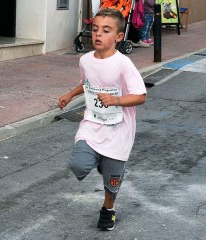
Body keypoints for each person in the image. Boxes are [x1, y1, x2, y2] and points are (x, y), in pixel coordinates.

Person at [58, 8, 147, 231]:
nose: (98, 34)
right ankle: (99, 161)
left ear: (118, 37)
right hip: (93, 124)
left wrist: (115, 100)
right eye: (95, 29)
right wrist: (70, 94)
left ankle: (108, 208)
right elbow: (87, 83)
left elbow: (141, 96)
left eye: (106, 31)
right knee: (78, 165)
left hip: (118, 131)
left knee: (112, 181)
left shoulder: (123, 64)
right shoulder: (86, 60)